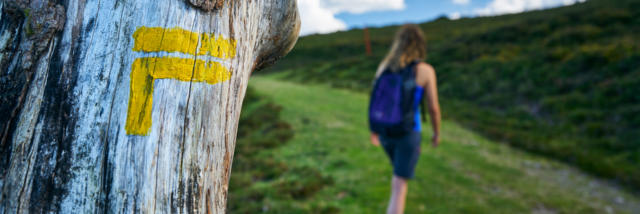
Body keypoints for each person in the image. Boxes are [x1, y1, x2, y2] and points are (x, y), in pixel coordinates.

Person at [368, 24, 441, 214]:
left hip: (385, 132)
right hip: (408, 133)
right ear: (420, 44)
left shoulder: (384, 67)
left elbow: (378, 99)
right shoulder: (425, 70)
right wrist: (436, 133)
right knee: (400, 185)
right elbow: (433, 108)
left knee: (398, 175)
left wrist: (374, 130)